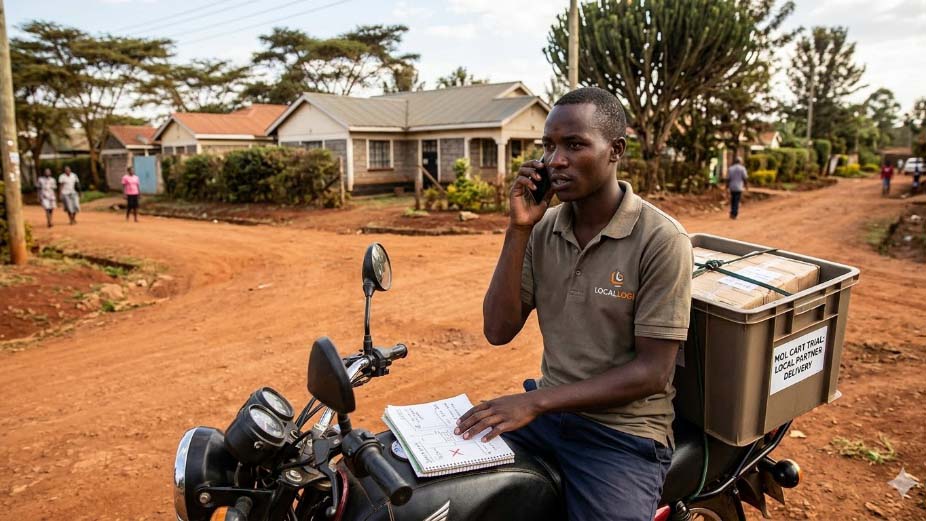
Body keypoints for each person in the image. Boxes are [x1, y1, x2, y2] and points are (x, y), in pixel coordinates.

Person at [456, 87, 692, 521]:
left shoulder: (661, 240)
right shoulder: (543, 229)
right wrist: (518, 229)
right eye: (548, 146)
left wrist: (535, 403)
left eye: (574, 144)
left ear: (615, 150)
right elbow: (498, 330)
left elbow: (653, 372)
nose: (555, 160)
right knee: (451, 493)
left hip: (623, 435)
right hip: (550, 416)